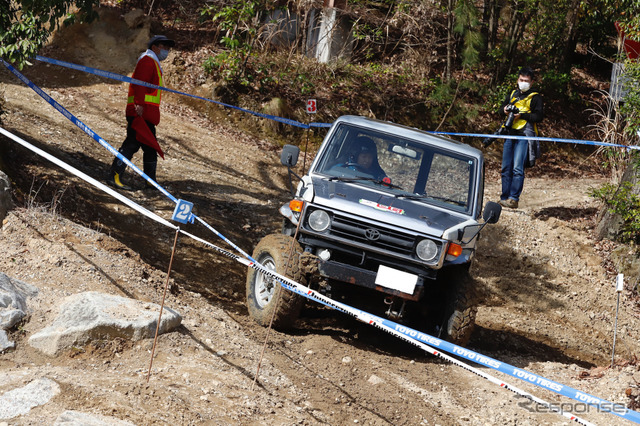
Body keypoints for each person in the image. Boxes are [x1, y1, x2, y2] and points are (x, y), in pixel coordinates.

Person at [107, 35, 175, 189]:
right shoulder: (147, 60)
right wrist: (139, 104)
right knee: (132, 144)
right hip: (140, 112)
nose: (167, 51)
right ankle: (114, 176)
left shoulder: (153, 62)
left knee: (150, 147)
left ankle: (150, 183)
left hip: (146, 112)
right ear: (155, 47)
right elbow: (139, 84)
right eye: (164, 47)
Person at [498, 66, 543, 209]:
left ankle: (513, 198)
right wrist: (505, 110)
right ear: (517, 79)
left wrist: (522, 115)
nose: (523, 82)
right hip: (510, 134)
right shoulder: (512, 94)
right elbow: (500, 109)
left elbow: (539, 116)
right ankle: (504, 197)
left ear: (532, 82)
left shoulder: (535, 97)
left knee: (517, 168)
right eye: (521, 80)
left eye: (526, 81)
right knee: (506, 167)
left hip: (524, 136)